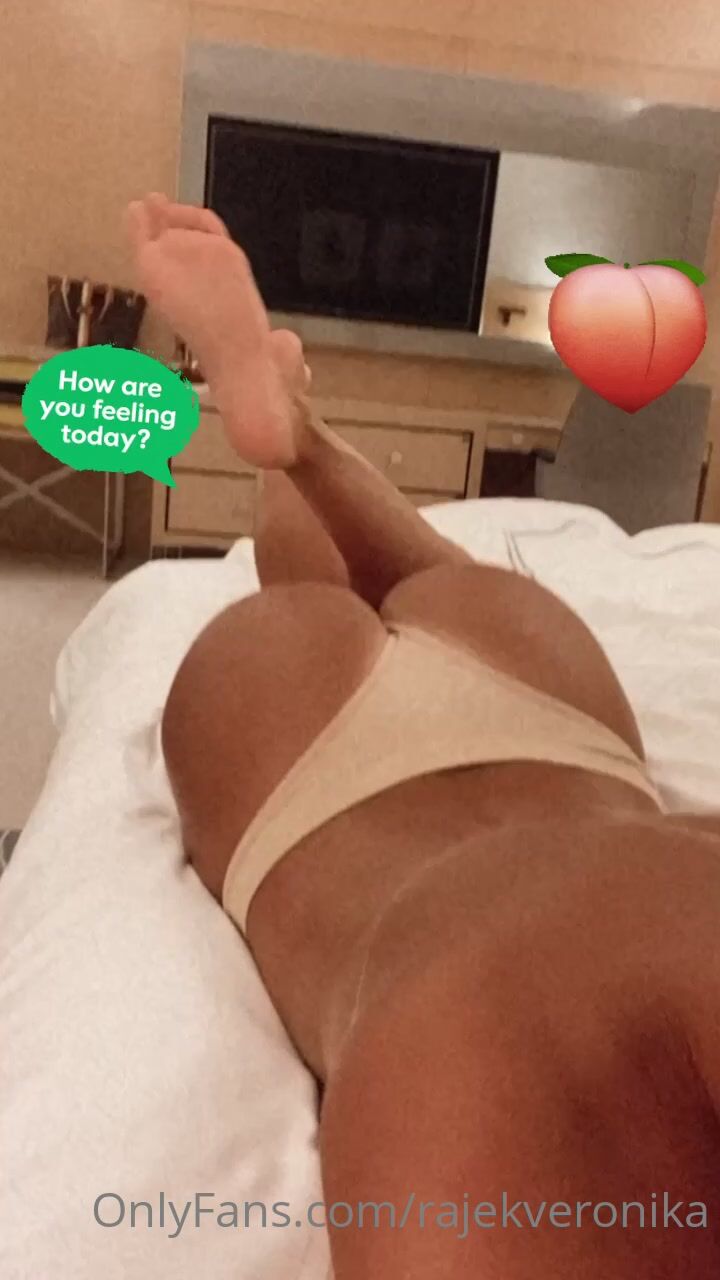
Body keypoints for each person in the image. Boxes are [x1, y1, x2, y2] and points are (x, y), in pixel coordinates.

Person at [128, 192, 720, 1279]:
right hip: (395, 879)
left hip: (567, 774)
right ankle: (288, 435)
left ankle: (293, 434)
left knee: (411, 592)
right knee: (323, 607)